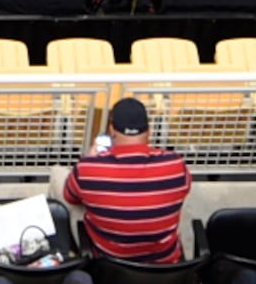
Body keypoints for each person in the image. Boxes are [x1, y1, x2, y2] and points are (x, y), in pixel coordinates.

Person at [62, 98, 191, 265]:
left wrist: (89, 160)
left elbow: (69, 197)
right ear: (149, 130)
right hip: (165, 267)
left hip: (108, 267)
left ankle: (65, 256)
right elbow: (184, 190)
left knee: (60, 176)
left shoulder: (87, 168)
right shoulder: (176, 164)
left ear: (112, 130)